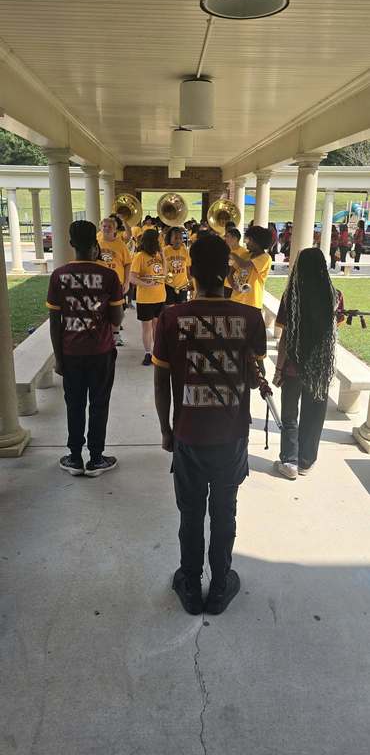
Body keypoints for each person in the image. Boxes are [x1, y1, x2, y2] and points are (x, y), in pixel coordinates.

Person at [153, 234, 266, 615]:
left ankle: (189, 583)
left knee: (190, 513)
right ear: (227, 273)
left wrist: (167, 431)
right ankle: (219, 586)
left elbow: (161, 381)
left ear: (190, 271)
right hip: (231, 435)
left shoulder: (170, 317)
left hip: (187, 434)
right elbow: (252, 378)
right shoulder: (250, 318)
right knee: (224, 511)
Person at [46, 221, 124, 477]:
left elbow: (55, 324)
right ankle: (97, 458)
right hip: (101, 352)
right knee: (99, 404)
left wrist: (58, 359)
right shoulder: (109, 276)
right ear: (96, 244)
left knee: (74, 404)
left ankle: (75, 457)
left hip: (70, 354)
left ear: (71, 244)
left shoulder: (58, 276)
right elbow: (116, 319)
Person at [273, 248, 344, 480]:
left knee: (290, 415)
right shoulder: (335, 295)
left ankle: (289, 461)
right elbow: (336, 327)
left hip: (293, 366)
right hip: (320, 368)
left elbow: (284, 337)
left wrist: (278, 368)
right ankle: (306, 461)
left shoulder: (291, 296)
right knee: (314, 415)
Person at [130, 228, 166, 365]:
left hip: (160, 296)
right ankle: (147, 353)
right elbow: (132, 278)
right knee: (147, 327)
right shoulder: (140, 256)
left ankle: (156, 352)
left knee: (157, 325)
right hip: (145, 299)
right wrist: (146, 284)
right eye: (157, 239)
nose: (160, 241)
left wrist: (162, 255)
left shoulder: (158, 255)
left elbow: (165, 273)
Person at [97, 217, 131, 345]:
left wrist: (127, 282)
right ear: (100, 227)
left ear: (115, 229)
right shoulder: (96, 242)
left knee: (117, 309)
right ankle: (103, 333)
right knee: (100, 309)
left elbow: (127, 264)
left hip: (117, 283)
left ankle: (116, 335)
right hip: (100, 283)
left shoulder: (120, 244)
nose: (106, 228)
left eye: (109, 226)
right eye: (104, 226)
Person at [229, 225, 272, 309]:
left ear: (256, 241)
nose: (246, 242)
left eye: (248, 239)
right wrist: (234, 286)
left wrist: (232, 254)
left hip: (251, 303)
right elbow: (230, 273)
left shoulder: (265, 258)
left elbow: (244, 265)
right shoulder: (245, 254)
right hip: (235, 300)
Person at [164, 226, 191, 304]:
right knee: (169, 309)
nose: (178, 240)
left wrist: (190, 281)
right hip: (169, 285)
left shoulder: (185, 250)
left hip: (182, 285)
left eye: (180, 238)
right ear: (170, 240)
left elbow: (187, 268)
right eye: (176, 238)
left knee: (181, 310)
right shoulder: (165, 251)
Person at [224, 227, 247, 298]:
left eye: (228, 236)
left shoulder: (244, 253)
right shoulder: (225, 250)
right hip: (225, 284)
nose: (226, 239)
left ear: (235, 238)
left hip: (236, 285)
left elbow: (244, 270)